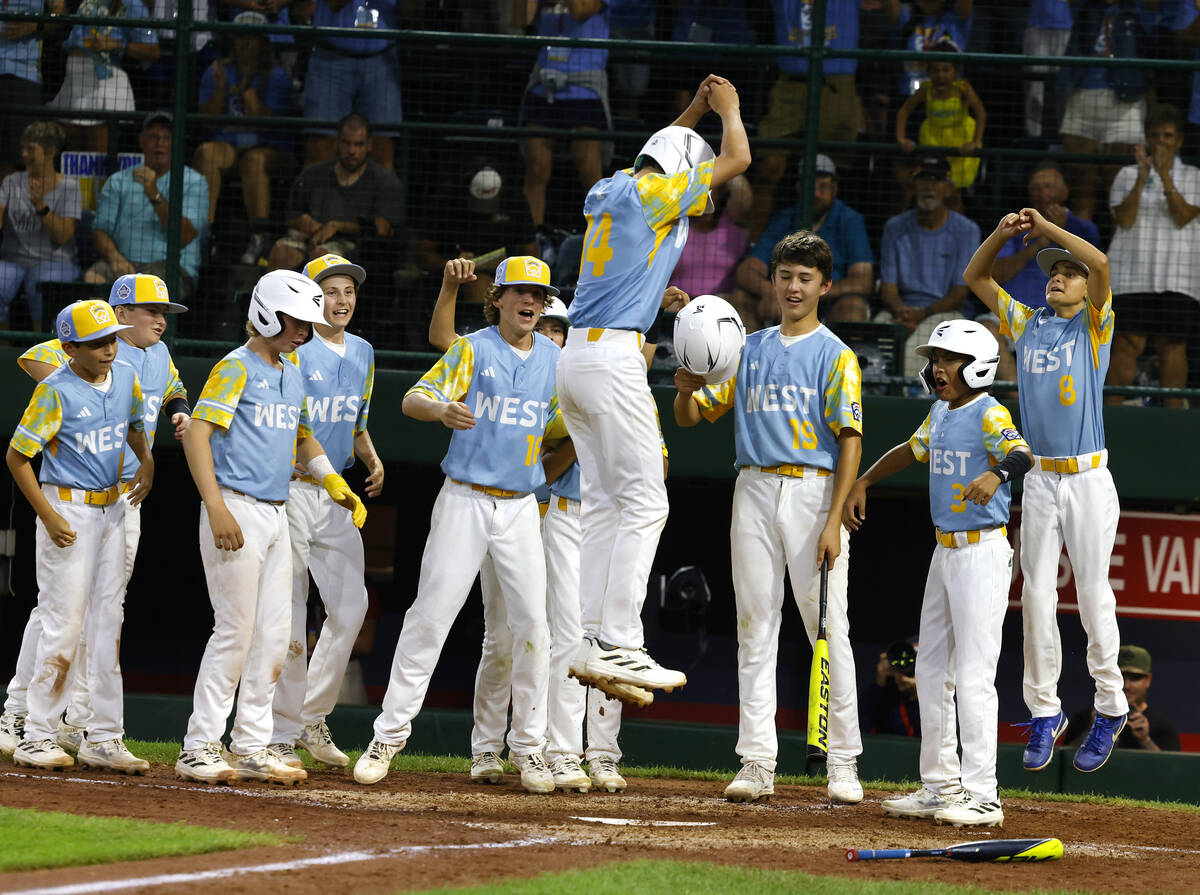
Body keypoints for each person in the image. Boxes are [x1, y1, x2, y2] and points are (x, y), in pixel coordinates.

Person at [557, 75, 749, 699]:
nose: (703, 200)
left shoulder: (611, 186)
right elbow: (739, 159)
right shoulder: (660, 191)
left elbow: (660, 150)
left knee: (607, 501)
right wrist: (728, 110)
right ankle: (621, 642)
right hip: (612, 359)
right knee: (646, 501)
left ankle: (589, 638)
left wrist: (692, 108)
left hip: (577, 358)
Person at [353, 256, 563, 793]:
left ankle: (530, 749)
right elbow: (411, 398)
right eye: (519, 292)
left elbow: (574, 425)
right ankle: (388, 737)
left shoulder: (557, 361)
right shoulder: (473, 347)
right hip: (464, 499)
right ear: (497, 298)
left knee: (532, 627)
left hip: (520, 507)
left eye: (537, 295)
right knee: (430, 617)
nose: (529, 302)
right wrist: (442, 410)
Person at [674, 230, 865, 806]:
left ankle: (844, 762)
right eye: (785, 275)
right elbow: (691, 417)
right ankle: (756, 761)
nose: (793, 286)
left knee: (828, 626)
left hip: (813, 491)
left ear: (825, 286)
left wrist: (834, 520)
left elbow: (850, 438)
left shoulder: (836, 354)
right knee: (755, 626)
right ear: (773, 280)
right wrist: (684, 384)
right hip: (753, 487)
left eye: (805, 277)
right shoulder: (747, 348)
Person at [176, 269, 366, 785]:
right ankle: (198, 747)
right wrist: (215, 506)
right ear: (266, 313)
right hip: (236, 506)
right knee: (235, 631)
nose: (304, 331)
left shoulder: (292, 369)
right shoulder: (235, 367)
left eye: (308, 322)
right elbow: (196, 436)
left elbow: (304, 436)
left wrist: (332, 483)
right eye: (296, 321)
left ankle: (253, 746)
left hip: (278, 511)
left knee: (276, 634)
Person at [847, 319, 1032, 828]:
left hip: (982, 552)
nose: (937, 368)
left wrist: (995, 473)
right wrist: (865, 479)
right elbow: (910, 450)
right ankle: (939, 785)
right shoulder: (940, 412)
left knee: (974, 675)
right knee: (931, 670)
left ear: (977, 366)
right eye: (936, 360)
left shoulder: (989, 411)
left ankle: (983, 794)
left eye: (948, 360)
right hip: (944, 551)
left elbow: (1022, 454)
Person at [963, 208, 1129, 775]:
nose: (1057, 275)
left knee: (1091, 595)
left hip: (1086, 476)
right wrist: (1003, 234)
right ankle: (1045, 712)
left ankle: (1110, 705)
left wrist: (1049, 230)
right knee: (1035, 597)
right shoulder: (1027, 322)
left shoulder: (1095, 324)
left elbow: (1102, 260)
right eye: (1052, 270)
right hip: (1039, 476)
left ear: (1085, 287)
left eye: (1068, 271)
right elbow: (976, 279)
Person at [0, 272, 190, 759]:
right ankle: (24, 718)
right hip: (67, 502)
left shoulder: (140, 364)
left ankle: (93, 731)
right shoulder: (65, 378)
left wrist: (150, 452)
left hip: (119, 500)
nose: (160, 320)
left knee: (107, 618)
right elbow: (34, 361)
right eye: (152, 310)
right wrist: (72, 398)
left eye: (164, 312)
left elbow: (148, 408)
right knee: (60, 616)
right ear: (121, 312)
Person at [269, 253, 382, 770]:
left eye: (349, 292)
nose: (342, 301)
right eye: (332, 292)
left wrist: (372, 459)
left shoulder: (363, 351)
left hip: (337, 493)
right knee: (288, 613)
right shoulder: (290, 351)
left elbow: (356, 422)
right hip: (292, 488)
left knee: (351, 608)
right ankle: (278, 731)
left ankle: (309, 717)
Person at [1105, 104, 1200, 409]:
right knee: (1125, 344)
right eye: (1156, 135)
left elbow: (1184, 216)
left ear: (1179, 141)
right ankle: (1110, 423)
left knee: (1172, 346)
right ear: (1146, 139)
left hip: (1179, 276)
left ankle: (1175, 422)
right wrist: (1143, 177)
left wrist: (1164, 179)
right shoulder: (1127, 174)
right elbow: (1125, 219)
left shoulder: (1194, 176)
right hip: (1131, 274)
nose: (1162, 141)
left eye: (1168, 136)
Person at [193, 10, 296, 263]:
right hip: (229, 144)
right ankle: (205, 233)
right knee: (207, 152)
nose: (246, 43)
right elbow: (205, 121)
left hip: (271, 148)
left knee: (253, 160)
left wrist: (248, 91)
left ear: (263, 41)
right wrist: (219, 92)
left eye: (253, 37)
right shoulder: (217, 71)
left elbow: (272, 124)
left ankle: (259, 237)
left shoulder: (278, 76)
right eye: (241, 37)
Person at [750, 0, 861, 237]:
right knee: (768, 167)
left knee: (831, 171)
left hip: (836, 82)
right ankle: (753, 245)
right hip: (789, 82)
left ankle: (831, 248)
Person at [735, 155, 873, 331]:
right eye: (810, 187)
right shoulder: (784, 219)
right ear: (799, 188)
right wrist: (769, 291)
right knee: (740, 298)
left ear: (834, 188)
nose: (816, 194)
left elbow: (863, 281)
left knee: (854, 306)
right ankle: (754, 357)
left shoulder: (850, 220)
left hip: (831, 303)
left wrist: (811, 294)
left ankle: (836, 358)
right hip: (784, 301)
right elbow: (746, 271)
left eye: (823, 187)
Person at [85, 112, 209, 304]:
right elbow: (100, 231)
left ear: (176, 143)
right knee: (93, 279)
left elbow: (185, 235)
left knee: (145, 293)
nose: (159, 143)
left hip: (172, 268)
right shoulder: (118, 181)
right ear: (141, 141)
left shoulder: (194, 182)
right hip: (123, 263)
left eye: (167, 138)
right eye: (153, 136)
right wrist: (115, 257)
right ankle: (102, 334)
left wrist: (153, 193)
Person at [875, 156, 979, 377]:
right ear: (913, 186)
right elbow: (888, 287)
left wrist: (922, 313)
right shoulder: (895, 227)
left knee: (917, 348)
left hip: (946, 312)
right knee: (875, 333)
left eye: (936, 180)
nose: (929, 186)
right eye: (922, 180)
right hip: (901, 309)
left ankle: (904, 397)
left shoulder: (967, 230)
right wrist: (900, 310)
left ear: (948, 189)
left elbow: (959, 293)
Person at [515, 0, 611, 233]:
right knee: (536, 169)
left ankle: (602, 239)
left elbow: (581, 10)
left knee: (590, 173)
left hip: (584, 88)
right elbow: (519, 20)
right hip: (543, 85)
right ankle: (534, 241)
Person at [267, 114, 403, 273]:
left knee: (322, 258)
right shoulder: (313, 174)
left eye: (358, 145)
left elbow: (382, 228)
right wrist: (303, 222)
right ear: (337, 142)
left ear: (369, 145)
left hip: (355, 247)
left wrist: (337, 227)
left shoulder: (384, 180)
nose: (352, 151)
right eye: (346, 143)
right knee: (282, 252)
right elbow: (290, 216)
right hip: (309, 240)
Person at [1058, 0, 1149, 220]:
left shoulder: (1138, 11)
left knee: (1119, 192)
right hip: (1081, 97)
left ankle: (1118, 253)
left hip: (1125, 101)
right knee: (1081, 193)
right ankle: (1078, 254)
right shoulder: (1084, 9)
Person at [0, 122, 83, 331]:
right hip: (13, 260)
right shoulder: (12, 182)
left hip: (55, 261)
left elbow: (64, 235)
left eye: (30, 149)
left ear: (50, 152)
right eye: (23, 148)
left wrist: (40, 206)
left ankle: (41, 349)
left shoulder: (70, 187)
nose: (24, 154)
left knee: (42, 288)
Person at [48, 0, 160, 153]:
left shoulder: (133, 5)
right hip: (73, 79)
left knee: (97, 159)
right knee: (72, 160)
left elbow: (153, 50)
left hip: (105, 84)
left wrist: (117, 45)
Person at [303, 0, 401, 170]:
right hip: (331, 55)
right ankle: (318, 197)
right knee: (321, 148)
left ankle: (379, 197)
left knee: (381, 148)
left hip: (382, 59)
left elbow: (413, 16)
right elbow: (334, 5)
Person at [895, 38, 986, 194]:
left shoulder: (963, 88)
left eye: (946, 70)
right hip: (933, 141)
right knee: (934, 185)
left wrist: (975, 142)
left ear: (955, 71)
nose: (940, 75)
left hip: (960, 142)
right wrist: (901, 139)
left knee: (954, 191)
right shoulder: (926, 89)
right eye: (935, 70)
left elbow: (980, 112)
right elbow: (904, 111)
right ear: (928, 71)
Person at [1064, 645, 1181, 752]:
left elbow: (1171, 770)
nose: (1127, 685)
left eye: (1135, 678)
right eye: (1120, 677)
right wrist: (1091, 732)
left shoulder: (1162, 726)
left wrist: (1145, 740)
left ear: (1148, 680)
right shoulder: (1086, 719)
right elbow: (1064, 762)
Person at [0, 0, 65, 179]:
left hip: (24, 76)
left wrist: (36, 25)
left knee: (18, 160)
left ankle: (11, 206)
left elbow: (59, 14)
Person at [861, 640, 921, 737]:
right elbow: (861, 727)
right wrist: (879, 685)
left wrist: (917, 696)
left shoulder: (940, 694)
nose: (905, 664)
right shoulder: (887, 692)